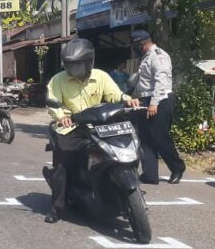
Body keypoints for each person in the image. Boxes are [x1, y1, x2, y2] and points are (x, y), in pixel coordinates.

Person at [43, 38, 140, 223]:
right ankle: (56, 206)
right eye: (70, 65)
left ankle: (124, 189)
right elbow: (52, 102)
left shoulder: (101, 76)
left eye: (78, 64)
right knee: (63, 165)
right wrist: (61, 116)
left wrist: (128, 100)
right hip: (71, 126)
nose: (73, 69)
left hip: (99, 124)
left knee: (126, 146)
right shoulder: (58, 80)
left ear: (89, 62)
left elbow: (114, 94)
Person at [130, 30, 186, 184]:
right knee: (145, 137)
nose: (134, 49)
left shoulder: (159, 55)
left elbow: (161, 80)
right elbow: (143, 84)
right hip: (146, 99)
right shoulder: (145, 57)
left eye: (135, 45)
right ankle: (150, 174)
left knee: (159, 136)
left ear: (142, 43)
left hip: (161, 99)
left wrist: (154, 103)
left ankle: (177, 167)